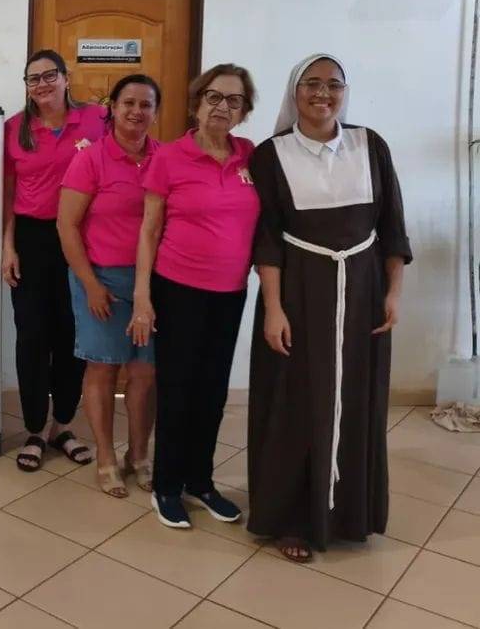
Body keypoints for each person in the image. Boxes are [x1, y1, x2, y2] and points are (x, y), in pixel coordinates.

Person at [247, 54, 411, 562]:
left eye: (333, 85)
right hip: (299, 290)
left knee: (357, 398)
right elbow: (268, 240)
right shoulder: (270, 155)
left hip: (361, 290)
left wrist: (393, 292)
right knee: (297, 399)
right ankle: (292, 518)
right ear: (294, 93)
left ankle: (350, 513)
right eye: (311, 84)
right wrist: (273, 307)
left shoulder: (370, 144)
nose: (323, 94)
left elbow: (393, 227)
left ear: (345, 91)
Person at [131, 64, 260, 529]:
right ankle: (167, 486)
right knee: (179, 389)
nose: (222, 106)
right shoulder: (171, 157)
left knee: (213, 391)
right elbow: (148, 230)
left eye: (234, 100)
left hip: (230, 293)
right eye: (214, 96)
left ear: (244, 111)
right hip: (178, 288)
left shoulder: (251, 157)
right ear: (196, 101)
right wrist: (143, 296)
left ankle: (199, 482)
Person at [3, 49, 106, 472]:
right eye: (33, 79)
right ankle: (32, 429)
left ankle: (61, 426)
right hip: (31, 238)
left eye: (49, 76)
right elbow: (7, 193)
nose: (42, 85)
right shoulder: (14, 128)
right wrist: (7, 246)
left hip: (84, 239)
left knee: (71, 334)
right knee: (31, 335)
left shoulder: (99, 120)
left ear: (66, 79)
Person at [58, 75, 159, 498]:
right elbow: (66, 225)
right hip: (100, 278)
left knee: (145, 371)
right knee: (102, 368)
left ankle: (139, 455)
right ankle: (105, 456)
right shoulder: (91, 159)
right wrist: (91, 285)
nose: (136, 112)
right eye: (128, 103)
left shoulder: (164, 158)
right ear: (112, 108)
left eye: (146, 105)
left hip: (152, 283)